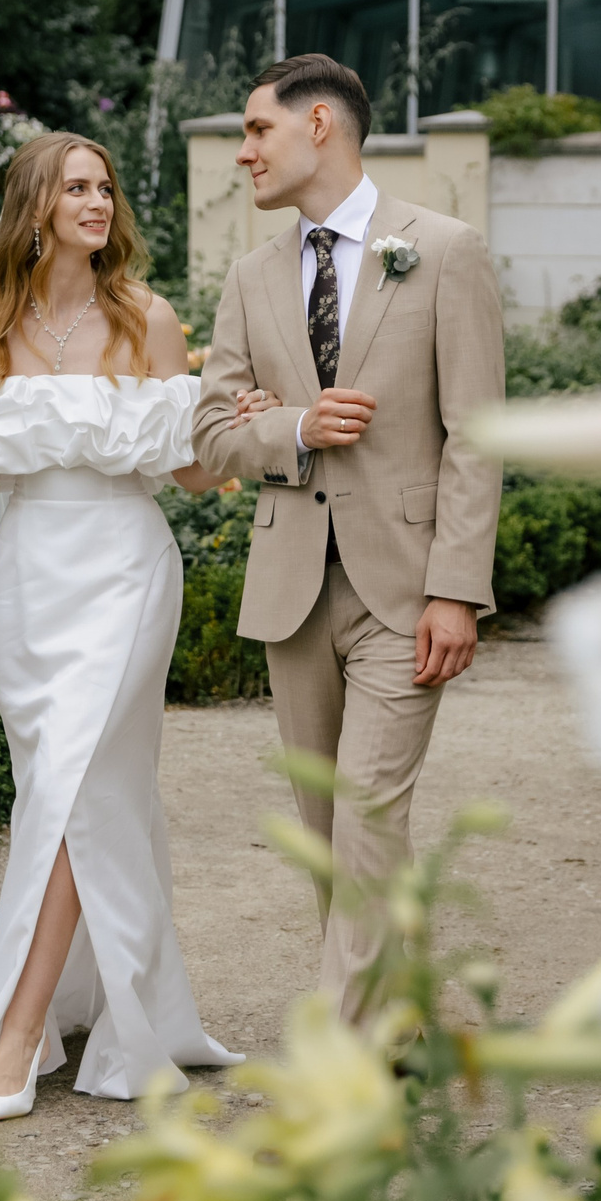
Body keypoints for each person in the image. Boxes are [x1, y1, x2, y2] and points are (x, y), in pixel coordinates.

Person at [0, 131, 261, 1123]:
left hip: (126, 571)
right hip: (27, 581)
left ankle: (17, 1033)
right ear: (37, 205)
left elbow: (188, 473)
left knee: (71, 787)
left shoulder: (149, 320)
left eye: (105, 187)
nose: (97, 202)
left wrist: (238, 426)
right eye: (76, 187)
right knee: (71, 795)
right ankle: (103, 1009)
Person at [190, 54, 505, 1024]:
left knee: (369, 814)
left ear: (319, 123)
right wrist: (288, 427)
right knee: (331, 831)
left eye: (256, 131)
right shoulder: (248, 277)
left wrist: (456, 587)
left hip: (403, 588)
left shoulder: (444, 251)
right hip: (292, 588)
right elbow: (209, 438)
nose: (243, 153)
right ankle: (400, 1018)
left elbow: (475, 435)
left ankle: (340, 1057)